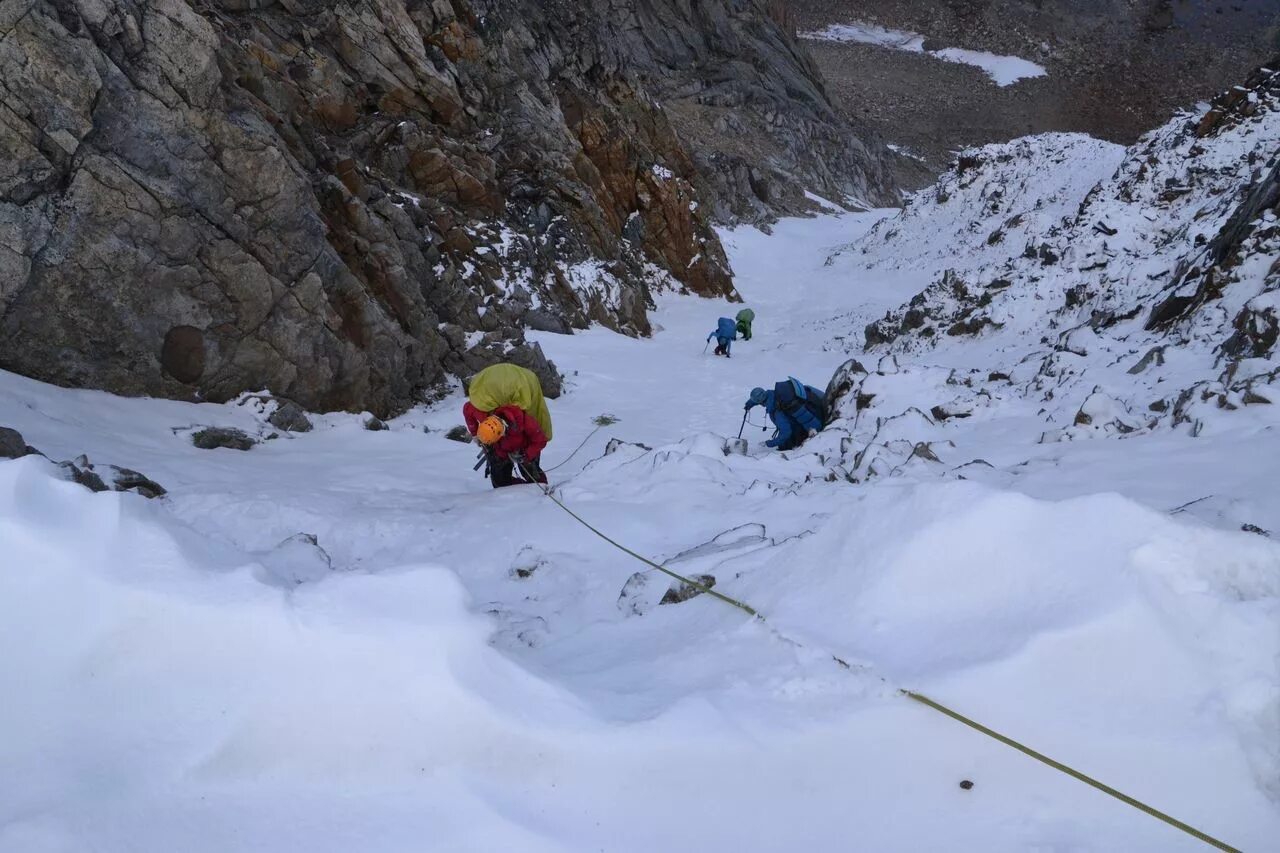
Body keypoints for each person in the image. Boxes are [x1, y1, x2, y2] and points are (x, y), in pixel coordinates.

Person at [463, 363, 552, 488]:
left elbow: (539, 440)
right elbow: (467, 411)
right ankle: (514, 492)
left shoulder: (523, 420)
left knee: (534, 478)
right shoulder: (481, 410)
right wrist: (475, 434)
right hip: (500, 451)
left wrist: (526, 455)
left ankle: (540, 493)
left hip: (524, 448)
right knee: (500, 482)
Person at [744, 378, 826, 451]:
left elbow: (786, 433)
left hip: (809, 426)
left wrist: (769, 443)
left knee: (784, 444)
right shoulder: (774, 395)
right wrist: (749, 404)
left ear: (761, 403)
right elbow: (760, 398)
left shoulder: (778, 412)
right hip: (815, 407)